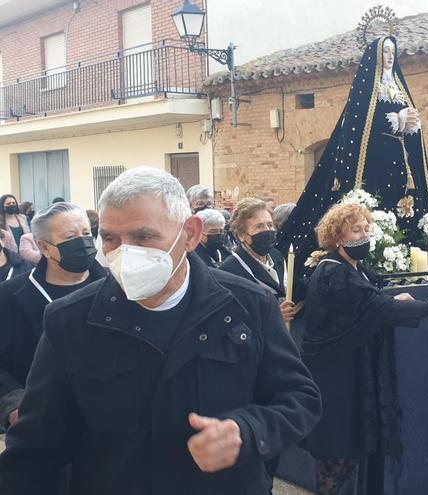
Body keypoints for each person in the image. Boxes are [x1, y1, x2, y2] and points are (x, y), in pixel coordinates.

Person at [0, 168, 322, 494]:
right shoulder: (70, 320)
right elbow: (35, 446)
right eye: (110, 238)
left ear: (191, 235)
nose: (124, 253)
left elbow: (300, 398)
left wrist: (249, 431)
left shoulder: (248, 305)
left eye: (144, 237)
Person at [303, 202, 428, 495]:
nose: (363, 235)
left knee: (348, 453)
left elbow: (367, 303)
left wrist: (394, 301)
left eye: (365, 229)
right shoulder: (333, 272)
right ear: (338, 238)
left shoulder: (353, 269)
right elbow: (375, 306)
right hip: (334, 377)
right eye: (355, 230)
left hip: (349, 372)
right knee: (336, 455)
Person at [277, 36, 428, 282]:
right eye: (385, 52)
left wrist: (411, 125)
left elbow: (411, 131)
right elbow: (357, 127)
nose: (390, 57)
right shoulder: (366, 91)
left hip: (397, 162)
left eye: (393, 52)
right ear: (375, 57)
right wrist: (395, 121)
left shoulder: (399, 88)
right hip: (374, 163)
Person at [0, 202, 104, 433]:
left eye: (86, 233)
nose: (83, 242)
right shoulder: (9, 296)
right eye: (70, 236)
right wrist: (14, 405)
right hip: (42, 424)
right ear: (43, 247)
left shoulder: (115, 289)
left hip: (107, 423)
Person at [218, 198, 297, 323]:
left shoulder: (277, 256)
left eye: (270, 225)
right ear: (241, 235)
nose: (267, 230)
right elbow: (231, 317)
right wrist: (272, 317)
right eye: (259, 227)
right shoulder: (229, 270)